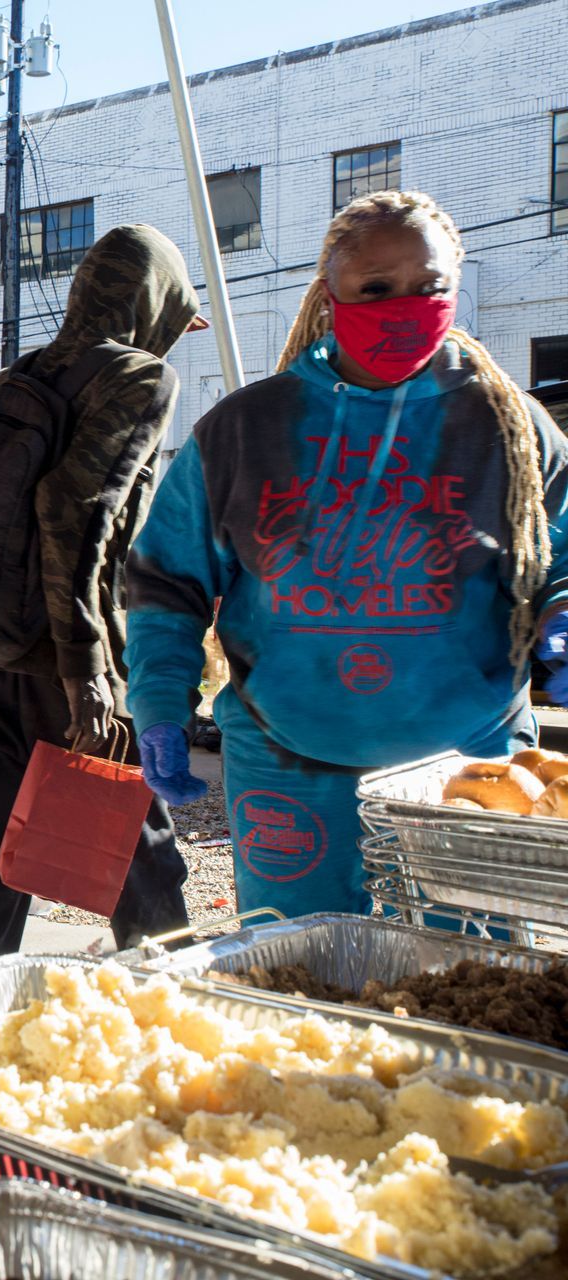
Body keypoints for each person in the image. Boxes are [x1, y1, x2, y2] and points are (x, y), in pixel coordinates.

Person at [127, 190, 568, 919]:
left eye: (430, 288)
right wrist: (160, 705)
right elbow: (166, 582)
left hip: (467, 769)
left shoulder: (510, 426)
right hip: (289, 766)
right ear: (331, 297)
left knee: (468, 986)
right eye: (377, 288)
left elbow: (561, 544)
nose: (406, 304)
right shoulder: (247, 429)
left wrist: (560, 609)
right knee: (300, 977)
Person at [0, 224, 201, 964]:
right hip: (63, 663)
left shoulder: (16, 377)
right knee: (142, 871)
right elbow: (71, 513)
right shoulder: (139, 377)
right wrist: (87, 672)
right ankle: (180, 1037)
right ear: (154, 306)